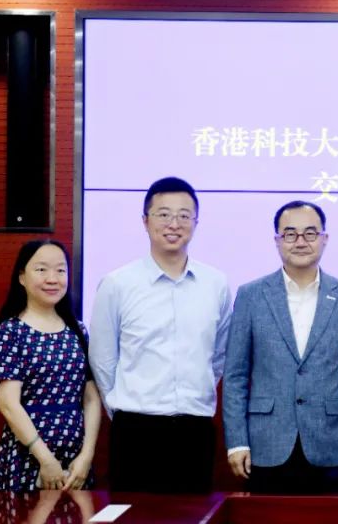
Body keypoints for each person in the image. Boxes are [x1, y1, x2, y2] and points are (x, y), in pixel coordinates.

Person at [89, 177, 231, 493]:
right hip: (136, 428)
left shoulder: (216, 284)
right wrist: (122, 407)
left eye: (184, 215)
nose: (174, 224)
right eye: (163, 214)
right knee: (133, 514)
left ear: (196, 222)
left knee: (193, 513)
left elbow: (218, 354)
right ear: (145, 221)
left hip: (195, 429)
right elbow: (102, 359)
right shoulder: (117, 284)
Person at [223, 200, 338, 494]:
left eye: (310, 233)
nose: (300, 242)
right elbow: (235, 375)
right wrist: (237, 442)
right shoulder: (251, 295)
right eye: (290, 234)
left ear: (324, 239)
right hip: (267, 443)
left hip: (330, 443)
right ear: (277, 240)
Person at [0, 240, 101, 492]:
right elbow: (8, 404)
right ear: (22, 277)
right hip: (28, 456)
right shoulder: (11, 332)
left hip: (76, 461)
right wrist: (45, 459)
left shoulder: (78, 330)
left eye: (60, 270)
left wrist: (86, 456)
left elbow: (91, 399)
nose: (52, 279)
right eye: (41, 270)